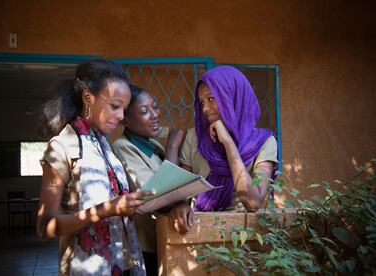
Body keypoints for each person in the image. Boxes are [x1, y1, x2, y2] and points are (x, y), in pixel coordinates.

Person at [36, 59, 153, 276]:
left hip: (123, 265)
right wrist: (105, 210)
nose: (121, 116)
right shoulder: (63, 146)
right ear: (88, 97)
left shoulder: (102, 145)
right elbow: (45, 226)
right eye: (115, 106)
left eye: (124, 109)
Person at [169, 65, 279, 234]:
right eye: (202, 102)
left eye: (211, 99)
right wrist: (181, 203)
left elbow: (253, 202)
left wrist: (228, 142)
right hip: (198, 232)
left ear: (232, 97)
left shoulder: (263, 142)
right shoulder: (195, 138)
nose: (206, 109)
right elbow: (182, 191)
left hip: (246, 237)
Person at [112, 84, 185, 276]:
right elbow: (158, 195)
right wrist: (172, 147)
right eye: (144, 111)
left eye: (155, 106)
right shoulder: (123, 147)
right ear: (125, 120)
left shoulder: (151, 143)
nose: (154, 115)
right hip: (145, 247)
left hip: (162, 237)